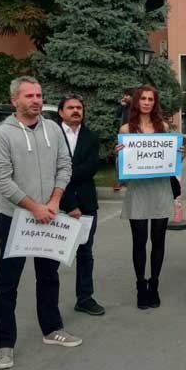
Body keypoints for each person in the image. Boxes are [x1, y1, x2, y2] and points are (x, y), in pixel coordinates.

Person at [0, 76, 78, 370]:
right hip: (16, 219)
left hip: (49, 215)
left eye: (39, 95)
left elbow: (65, 166)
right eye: (29, 96)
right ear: (15, 100)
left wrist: (53, 202)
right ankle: (4, 344)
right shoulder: (2, 134)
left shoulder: (52, 129)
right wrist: (33, 207)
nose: (36, 100)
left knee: (48, 276)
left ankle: (52, 329)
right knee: (7, 283)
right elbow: (1, 178)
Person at [116, 85, 174, 310]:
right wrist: (118, 154)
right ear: (136, 102)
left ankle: (154, 284)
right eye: (143, 99)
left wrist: (174, 152)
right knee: (139, 241)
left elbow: (169, 158)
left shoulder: (164, 128)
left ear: (155, 102)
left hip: (160, 189)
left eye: (151, 99)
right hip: (138, 190)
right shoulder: (126, 129)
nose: (147, 102)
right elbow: (121, 168)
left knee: (158, 240)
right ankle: (140, 284)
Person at [57, 94, 104, 317]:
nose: (76, 111)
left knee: (85, 253)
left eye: (79, 107)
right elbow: (49, 172)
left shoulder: (91, 137)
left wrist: (64, 174)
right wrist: (69, 203)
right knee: (53, 254)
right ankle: (49, 302)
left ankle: (85, 298)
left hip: (87, 203)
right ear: (60, 112)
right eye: (70, 107)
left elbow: (91, 168)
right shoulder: (51, 136)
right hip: (57, 203)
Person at [113, 88, 133, 191]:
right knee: (120, 157)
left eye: (127, 95)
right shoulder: (124, 106)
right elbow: (116, 116)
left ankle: (129, 180)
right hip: (123, 135)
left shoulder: (135, 107)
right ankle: (120, 181)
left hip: (133, 136)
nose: (125, 97)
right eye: (124, 95)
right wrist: (121, 106)